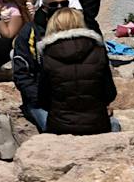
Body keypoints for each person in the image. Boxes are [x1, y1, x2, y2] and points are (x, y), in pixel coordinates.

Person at [35, 7, 117, 135]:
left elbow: (43, 98)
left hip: (60, 126)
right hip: (97, 124)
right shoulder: (98, 51)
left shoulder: (48, 55)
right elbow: (110, 93)